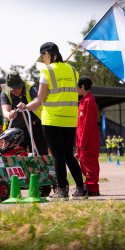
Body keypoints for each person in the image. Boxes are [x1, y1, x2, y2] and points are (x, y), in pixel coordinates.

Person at [23, 42, 85, 199]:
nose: (43, 61)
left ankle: (61, 191)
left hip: (52, 119)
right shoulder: (72, 70)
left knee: (58, 156)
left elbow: (40, 99)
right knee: (69, 156)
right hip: (70, 118)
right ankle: (80, 189)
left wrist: (25, 106)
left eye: (43, 57)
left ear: (47, 54)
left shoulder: (47, 71)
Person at [0, 70, 48, 155]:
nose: (15, 90)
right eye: (12, 88)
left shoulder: (31, 86)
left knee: (40, 155)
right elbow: (5, 111)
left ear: (21, 84)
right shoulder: (4, 93)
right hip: (16, 132)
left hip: (36, 128)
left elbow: (38, 101)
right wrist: (10, 115)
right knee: (18, 156)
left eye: (17, 87)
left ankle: (42, 168)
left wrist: (26, 107)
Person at [76, 76, 101, 196]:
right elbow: (79, 125)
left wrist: (83, 142)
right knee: (84, 163)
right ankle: (88, 184)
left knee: (90, 163)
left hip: (89, 139)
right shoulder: (82, 101)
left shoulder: (89, 101)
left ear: (83, 87)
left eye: (77, 87)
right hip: (82, 139)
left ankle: (93, 188)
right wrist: (78, 143)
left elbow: (88, 124)